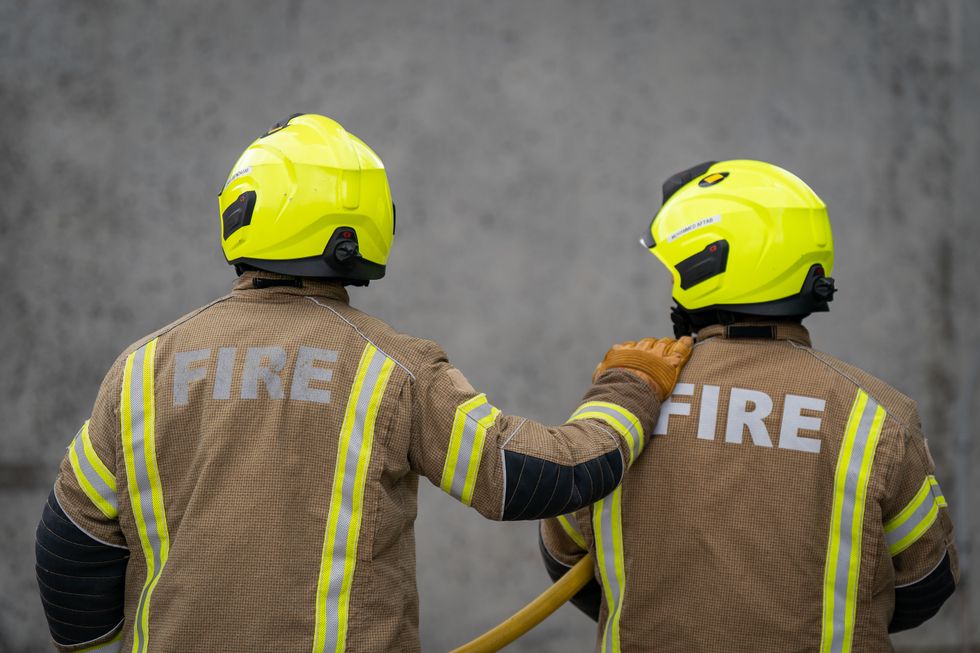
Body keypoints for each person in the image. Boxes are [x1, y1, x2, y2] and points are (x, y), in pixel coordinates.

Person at [33, 113, 692, 653]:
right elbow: (524, 475)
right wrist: (628, 389)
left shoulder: (142, 369)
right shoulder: (390, 366)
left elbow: (72, 543)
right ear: (360, 225)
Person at [540, 160, 958, 653]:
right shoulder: (877, 414)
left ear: (705, 264)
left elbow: (565, 558)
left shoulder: (629, 399)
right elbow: (926, 582)